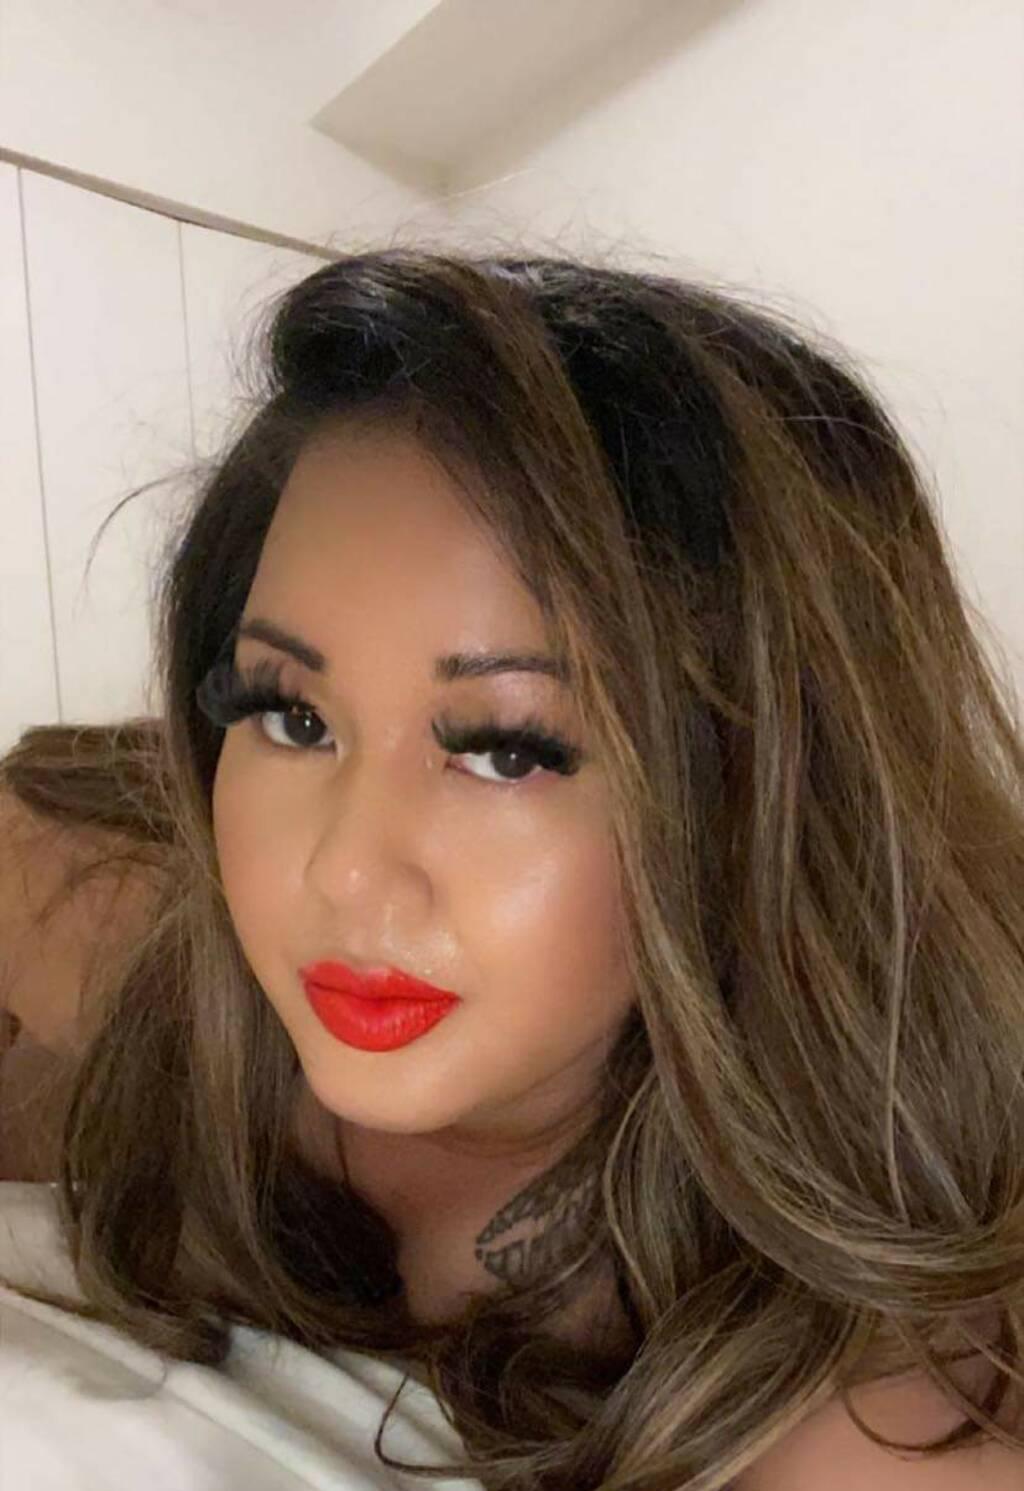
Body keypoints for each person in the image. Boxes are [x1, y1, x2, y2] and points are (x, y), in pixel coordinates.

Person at [1, 247, 1023, 1490]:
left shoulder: (884, 1394)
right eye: (292, 715)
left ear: (769, 799)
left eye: (506, 750)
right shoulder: (150, 965)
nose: (345, 876)